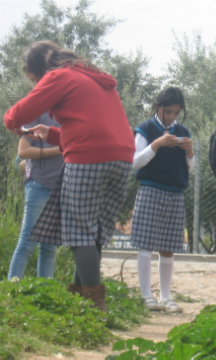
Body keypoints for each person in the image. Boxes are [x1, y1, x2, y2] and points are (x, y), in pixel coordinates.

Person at [4, 41, 135, 311]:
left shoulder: (58, 76)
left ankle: (95, 306)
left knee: (78, 231)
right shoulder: (93, 77)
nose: (36, 84)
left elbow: (18, 114)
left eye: (34, 79)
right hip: (122, 158)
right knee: (94, 231)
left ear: (40, 69)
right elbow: (91, 129)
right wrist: (49, 133)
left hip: (88, 158)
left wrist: (11, 123)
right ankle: (82, 303)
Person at [131, 87, 194, 313]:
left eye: (176, 113)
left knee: (168, 248)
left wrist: (189, 151)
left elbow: (191, 169)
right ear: (157, 106)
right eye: (168, 112)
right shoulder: (145, 129)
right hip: (150, 190)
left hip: (175, 193)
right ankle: (146, 295)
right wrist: (156, 144)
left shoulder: (183, 131)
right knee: (146, 244)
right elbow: (135, 161)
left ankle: (166, 296)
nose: (172, 117)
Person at [7, 112, 63, 280]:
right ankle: (12, 294)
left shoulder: (68, 114)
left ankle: (45, 297)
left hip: (61, 188)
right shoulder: (38, 115)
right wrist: (59, 149)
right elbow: (23, 151)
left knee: (49, 248)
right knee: (27, 243)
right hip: (39, 185)